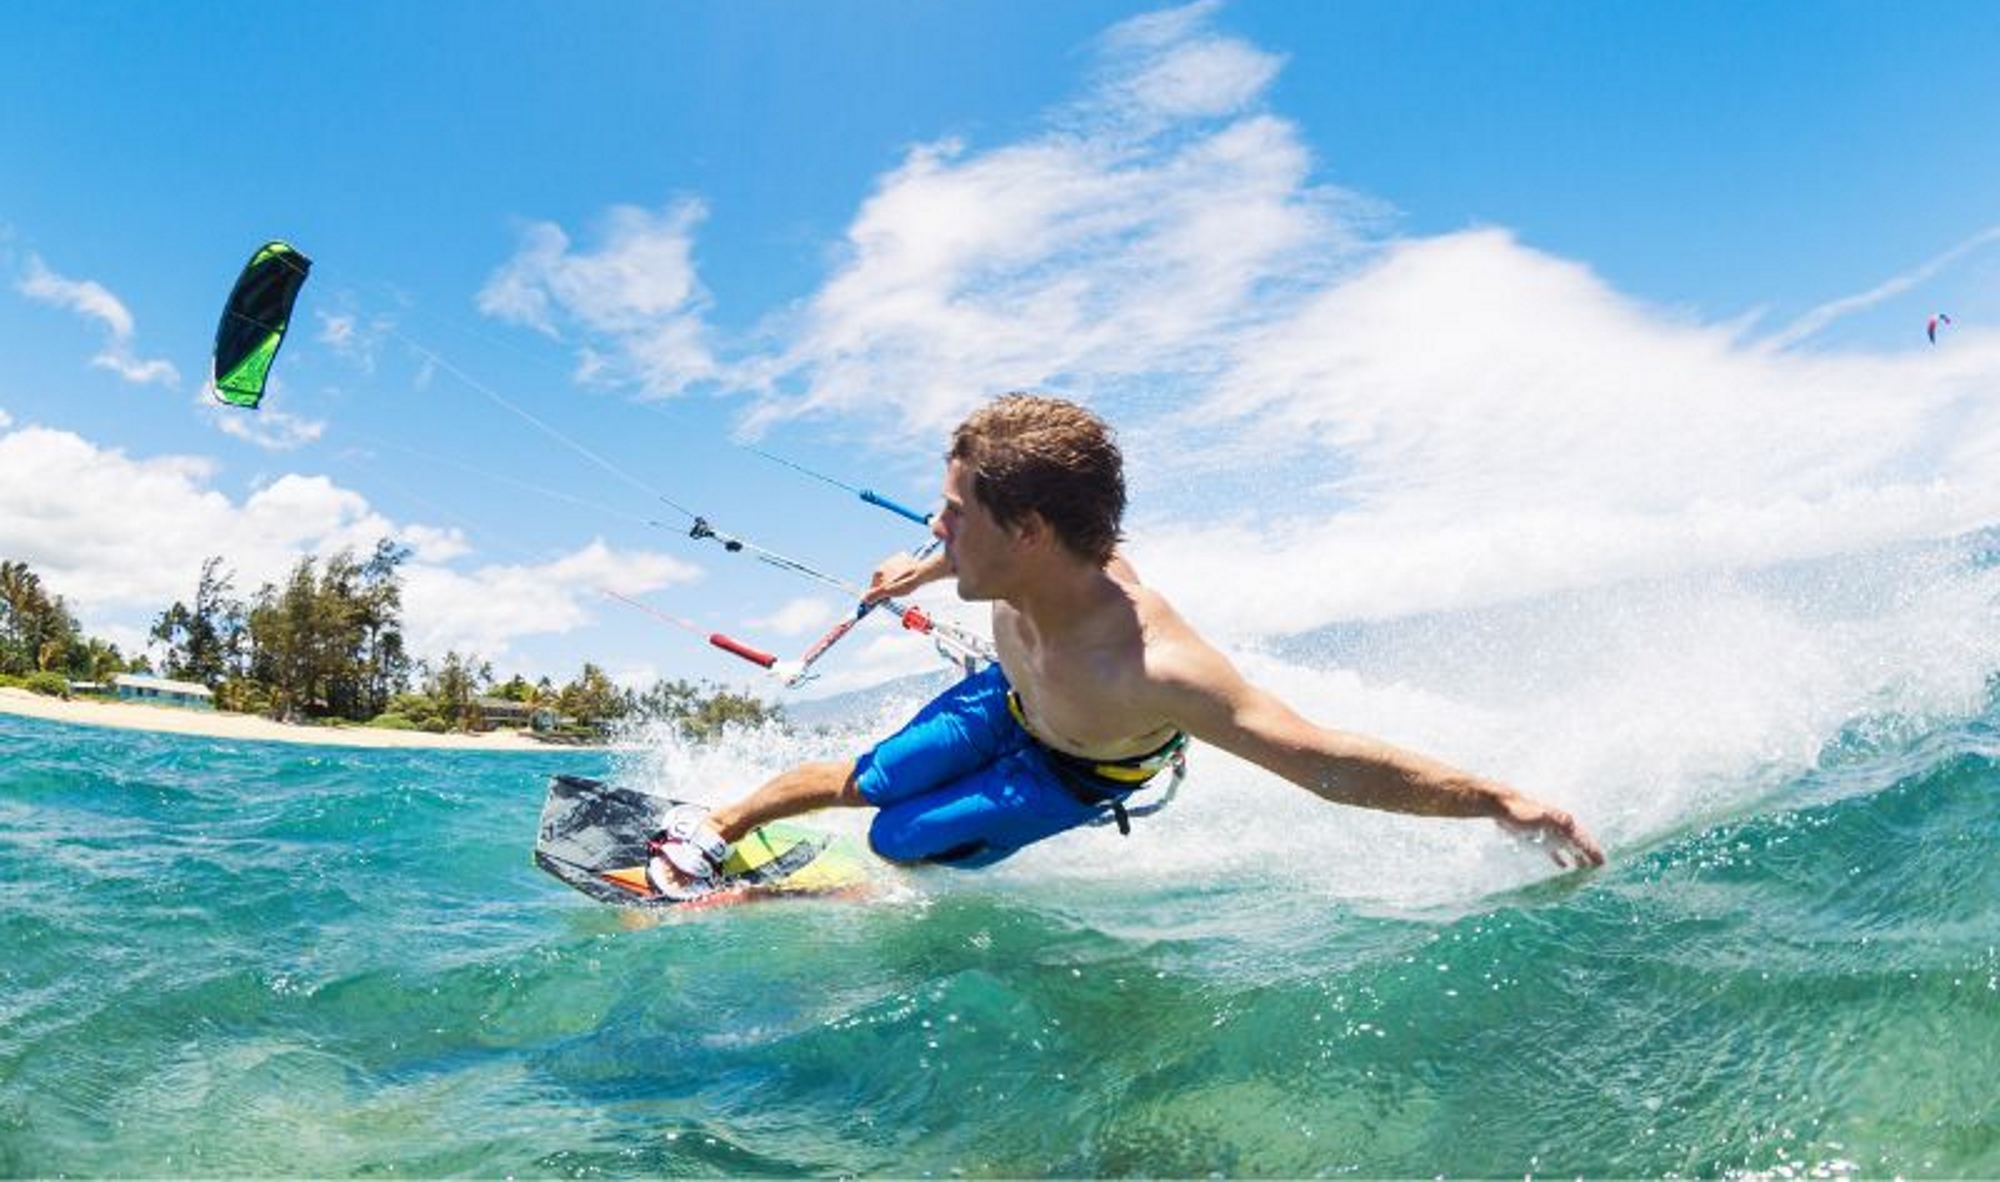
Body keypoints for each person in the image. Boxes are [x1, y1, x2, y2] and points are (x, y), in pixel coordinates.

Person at [650, 394, 1604, 895]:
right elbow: (965, 559)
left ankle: (848, 896)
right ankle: (718, 828)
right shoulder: (1011, 562)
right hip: (1009, 697)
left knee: (900, 841)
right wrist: (927, 571)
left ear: (1026, 530)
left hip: (1077, 768)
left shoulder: (1154, 665)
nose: (933, 532)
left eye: (952, 517)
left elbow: (1323, 763)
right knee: (870, 780)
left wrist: (1497, 799)